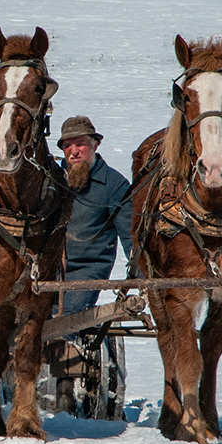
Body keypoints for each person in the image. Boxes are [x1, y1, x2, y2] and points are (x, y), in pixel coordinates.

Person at [57, 115, 132, 316]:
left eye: (80, 144)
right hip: (48, 268)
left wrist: (140, 269)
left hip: (88, 270)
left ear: (95, 144)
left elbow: (130, 233)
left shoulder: (114, 185)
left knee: (66, 319)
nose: (73, 152)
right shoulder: (52, 180)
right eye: (67, 146)